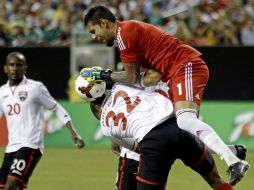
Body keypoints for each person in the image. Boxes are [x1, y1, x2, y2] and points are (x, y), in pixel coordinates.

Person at [82, 5, 249, 185]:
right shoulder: (126, 35)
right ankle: (230, 151)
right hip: (175, 73)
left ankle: (234, 161)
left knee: (185, 120)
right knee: (182, 130)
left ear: (104, 23)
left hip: (185, 66)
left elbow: (130, 76)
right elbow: (142, 76)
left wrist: (103, 75)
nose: (93, 37)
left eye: (93, 30)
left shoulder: (124, 34)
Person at [86, 80, 233, 190]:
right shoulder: (174, 76)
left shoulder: (128, 80)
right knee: (215, 179)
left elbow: (138, 149)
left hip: (149, 145)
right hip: (180, 128)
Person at [0, 52, 85, 190]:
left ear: (25, 68)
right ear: (5, 68)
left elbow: (56, 108)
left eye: (19, 65)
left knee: (12, 185)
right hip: (11, 147)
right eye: (11, 65)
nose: (15, 68)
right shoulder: (2, 92)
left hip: (30, 144)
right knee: (9, 187)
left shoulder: (35, 88)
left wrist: (73, 132)